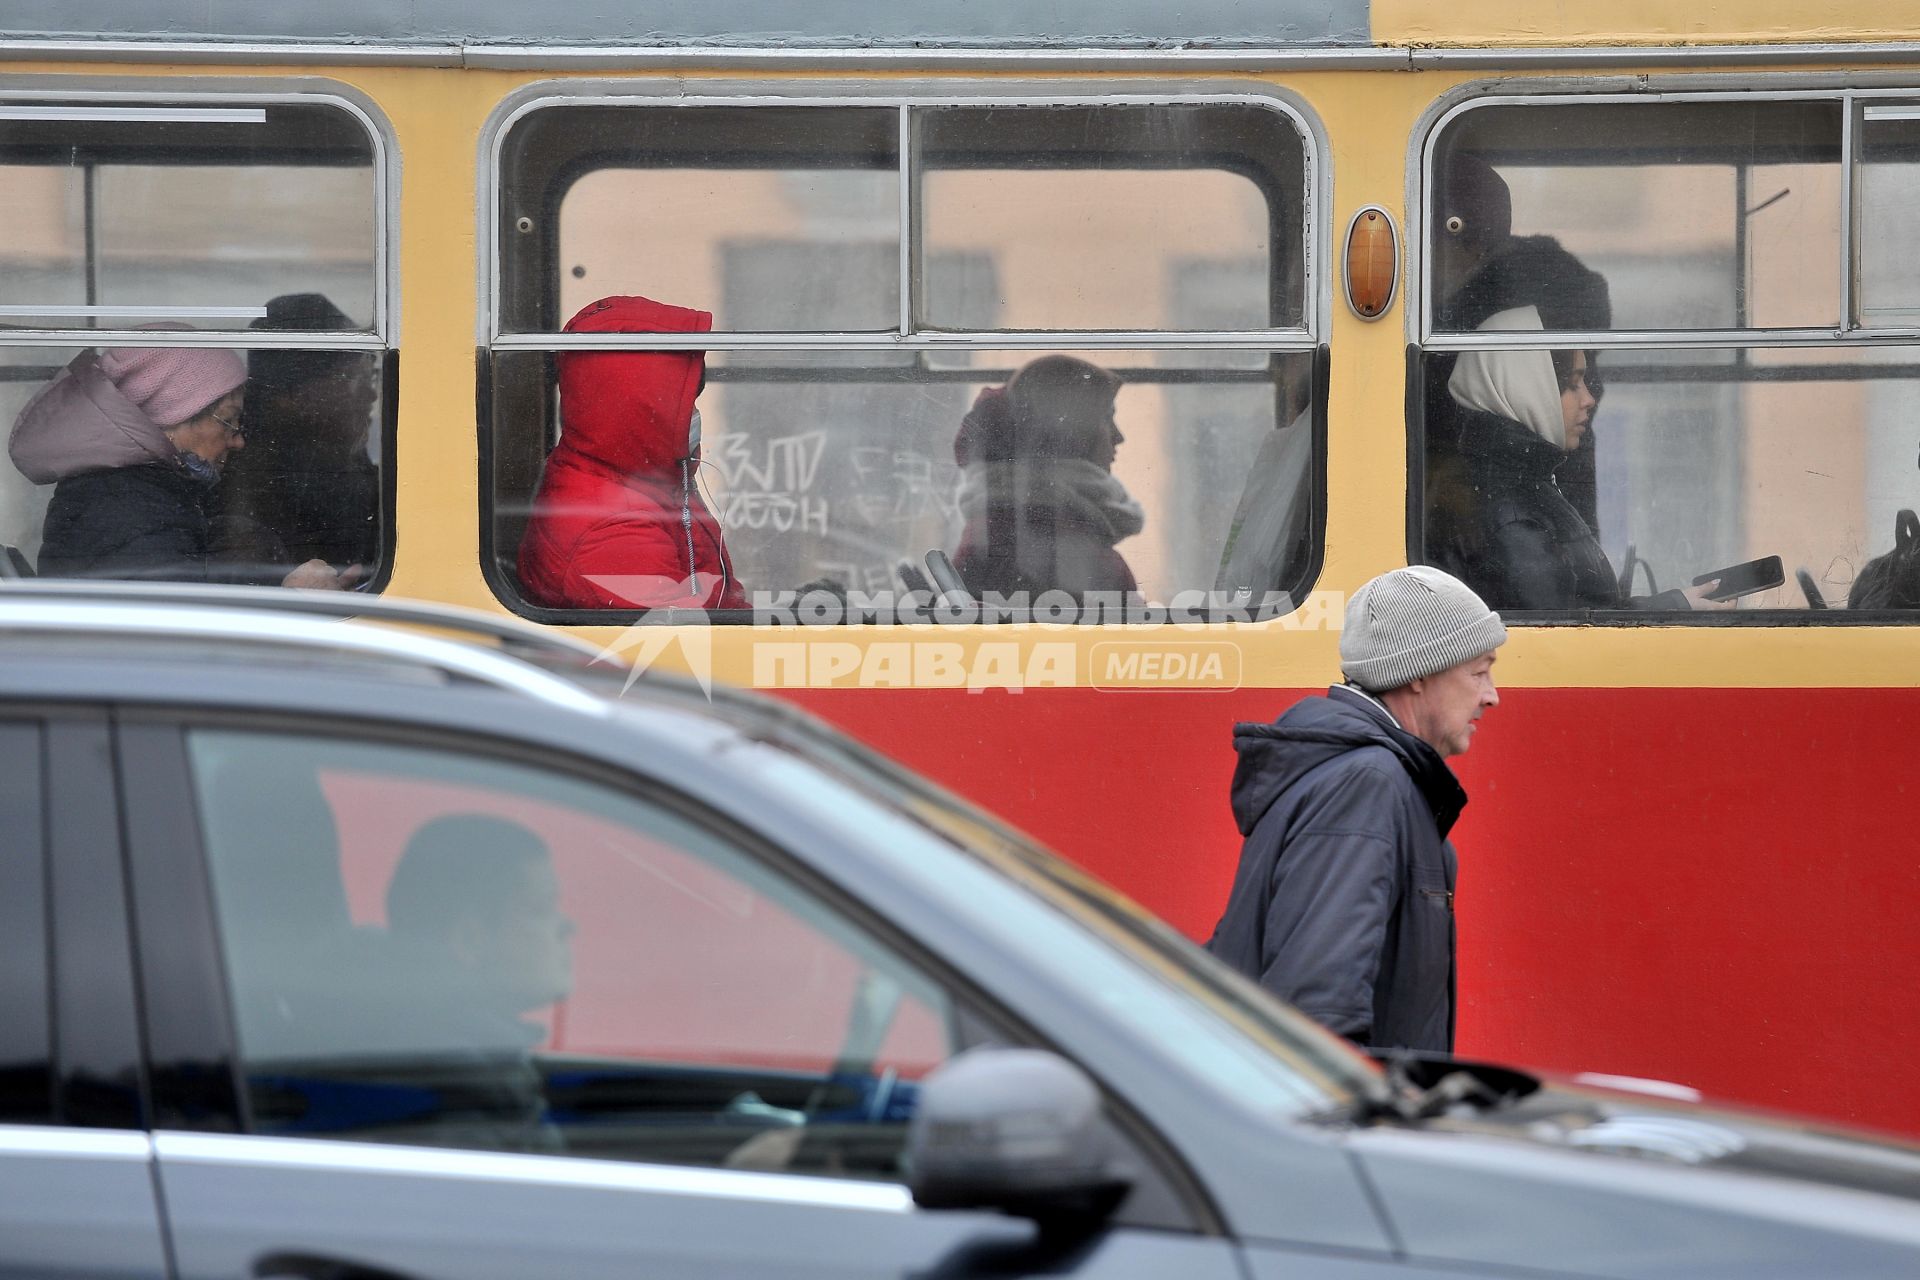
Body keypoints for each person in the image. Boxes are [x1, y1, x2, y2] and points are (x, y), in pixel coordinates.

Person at [1207, 566, 1506, 1053]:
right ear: (1418, 674)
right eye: (1478, 671)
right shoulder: (1366, 785)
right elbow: (1318, 1011)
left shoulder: (1363, 774)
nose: (1491, 695)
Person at [8, 335, 355, 588]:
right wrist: (291, 599)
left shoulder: (140, 493)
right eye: (229, 420)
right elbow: (175, 635)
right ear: (171, 419)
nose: (238, 440)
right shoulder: (124, 505)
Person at [1429, 307, 1716, 611]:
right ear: (1528, 389)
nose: (1589, 399)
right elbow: (1563, 632)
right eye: (1571, 384)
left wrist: (1675, 604)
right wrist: (1672, 607)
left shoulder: (1521, 478)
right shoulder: (1512, 512)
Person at [517, 294, 746, 610]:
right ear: (640, 408)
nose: (693, 413)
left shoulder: (634, 478)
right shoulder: (615, 531)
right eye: (683, 402)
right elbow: (693, 644)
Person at [383, 814, 575, 1152]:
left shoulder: (479, 1070)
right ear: (470, 939)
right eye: (541, 909)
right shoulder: (464, 1113)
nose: (568, 927)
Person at [951, 355, 1143, 600]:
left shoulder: (1007, 527)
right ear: (1072, 433)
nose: (1118, 437)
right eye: (1106, 418)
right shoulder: (1056, 538)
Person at [219, 293, 380, 575]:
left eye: (372, 376)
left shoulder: (337, 450)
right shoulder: (260, 479)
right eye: (355, 379)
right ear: (294, 394)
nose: (371, 394)